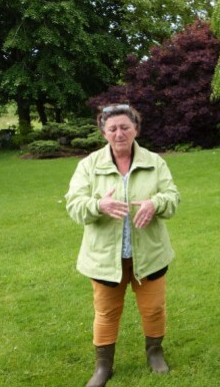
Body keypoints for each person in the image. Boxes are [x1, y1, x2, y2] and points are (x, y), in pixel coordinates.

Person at [65, 104, 180, 387]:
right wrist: (98, 205)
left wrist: (156, 203)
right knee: (105, 313)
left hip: (150, 255)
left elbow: (172, 197)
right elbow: (74, 206)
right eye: (113, 128)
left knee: (154, 310)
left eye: (125, 127)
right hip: (104, 258)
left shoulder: (155, 162)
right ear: (104, 132)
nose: (119, 133)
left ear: (136, 129)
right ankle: (103, 366)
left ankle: (155, 353)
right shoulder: (89, 166)